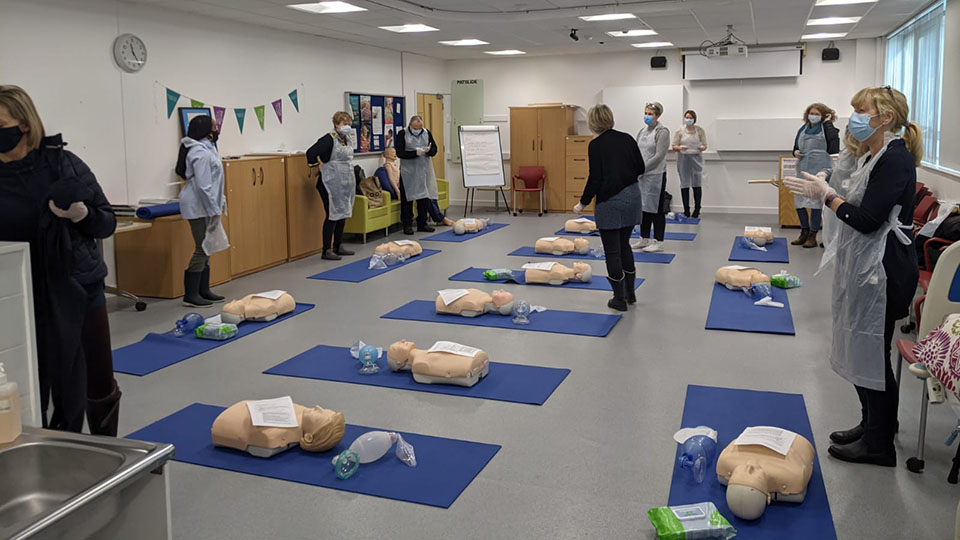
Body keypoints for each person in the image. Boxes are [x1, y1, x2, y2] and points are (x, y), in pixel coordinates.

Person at [784, 86, 921, 467]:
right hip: (869, 267)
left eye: (861, 111)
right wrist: (828, 183)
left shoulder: (895, 159)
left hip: (884, 270)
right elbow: (855, 196)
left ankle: (879, 444)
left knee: (872, 355)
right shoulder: (874, 155)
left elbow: (865, 219)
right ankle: (874, 424)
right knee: (866, 352)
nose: (854, 118)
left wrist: (826, 196)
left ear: (885, 117)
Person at [0, 85, 121, 435]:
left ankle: (103, 449)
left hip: (78, 288)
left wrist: (81, 215)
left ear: (24, 124)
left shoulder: (62, 165)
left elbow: (106, 221)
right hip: (17, 293)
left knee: (94, 381)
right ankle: (40, 454)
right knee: (27, 380)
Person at [574, 104, 645, 311]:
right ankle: (630, 294)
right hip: (632, 197)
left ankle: (618, 298)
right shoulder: (627, 138)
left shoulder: (595, 145)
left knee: (612, 251)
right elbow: (640, 167)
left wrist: (582, 203)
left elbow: (595, 178)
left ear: (592, 122)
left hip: (610, 203)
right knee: (625, 246)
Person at [175, 115, 227, 307]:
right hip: (198, 205)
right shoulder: (200, 153)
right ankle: (191, 294)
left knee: (208, 245)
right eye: (214, 126)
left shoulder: (207, 149)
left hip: (205, 204)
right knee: (202, 247)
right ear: (206, 130)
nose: (217, 129)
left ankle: (203, 290)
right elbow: (204, 186)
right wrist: (214, 209)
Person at [307, 111, 357, 261]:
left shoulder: (347, 139)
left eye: (349, 124)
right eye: (344, 124)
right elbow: (311, 152)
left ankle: (338, 245)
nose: (347, 126)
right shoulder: (329, 139)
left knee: (342, 213)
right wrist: (314, 166)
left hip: (343, 183)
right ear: (336, 125)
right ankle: (326, 250)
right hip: (329, 183)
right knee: (332, 215)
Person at [791, 102, 839, 248]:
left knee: (816, 204)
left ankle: (813, 234)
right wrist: (795, 153)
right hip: (802, 169)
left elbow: (834, 145)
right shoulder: (802, 129)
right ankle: (803, 231)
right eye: (811, 113)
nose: (813, 116)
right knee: (799, 202)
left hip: (820, 170)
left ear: (824, 116)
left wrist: (828, 122)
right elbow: (795, 147)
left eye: (817, 114)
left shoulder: (827, 129)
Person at [633, 102, 670, 253]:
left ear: (658, 115)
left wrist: (643, 168)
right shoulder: (642, 131)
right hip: (642, 175)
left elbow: (659, 155)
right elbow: (636, 150)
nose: (647, 116)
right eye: (646, 113)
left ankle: (659, 241)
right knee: (644, 208)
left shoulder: (662, 131)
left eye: (651, 114)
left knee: (656, 208)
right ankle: (644, 238)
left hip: (656, 175)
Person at [395, 115, 438, 235]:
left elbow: (435, 149)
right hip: (408, 173)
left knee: (423, 198)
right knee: (407, 200)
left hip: (423, 171)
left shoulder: (426, 133)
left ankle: (422, 223)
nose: (418, 129)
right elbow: (400, 153)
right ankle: (407, 225)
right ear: (410, 125)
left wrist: (429, 151)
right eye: (415, 127)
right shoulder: (402, 134)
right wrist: (415, 153)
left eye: (420, 127)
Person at [672, 110, 707, 218]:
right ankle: (686, 210)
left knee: (697, 184)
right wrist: (680, 148)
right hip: (683, 159)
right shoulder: (680, 131)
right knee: (685, 184)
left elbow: (705, 145)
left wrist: (702, 148)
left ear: (694, 119)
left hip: (696, 159)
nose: (688, 119)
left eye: (690, 117)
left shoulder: (700, 131)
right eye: (686, 117)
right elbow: (674, 146)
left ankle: (697, 209)